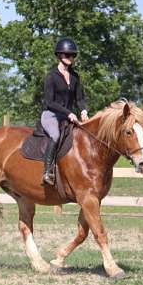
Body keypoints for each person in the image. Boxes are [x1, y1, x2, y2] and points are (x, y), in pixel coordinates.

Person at [40, 37, 89, 186]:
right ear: (60, 56)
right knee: (55, 135)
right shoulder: (51, 77)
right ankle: (47, 171)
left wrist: (84, 111)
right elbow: (49, 102)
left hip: (68, 116)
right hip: (51, 115)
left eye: (73, 55)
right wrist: (68, 113)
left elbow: (79, 98)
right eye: (68, 55)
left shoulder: (75, 76)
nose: (71, 58)